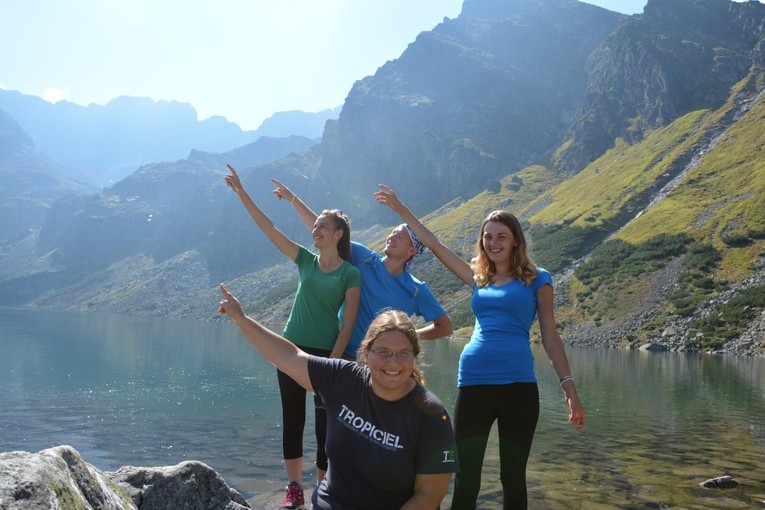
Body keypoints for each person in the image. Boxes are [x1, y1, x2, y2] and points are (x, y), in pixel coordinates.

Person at [375, 184, 586, 510]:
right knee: (466, 477)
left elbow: (550, 336)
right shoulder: (478, 278)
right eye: (488, 237)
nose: (494, 243)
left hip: (519, 388)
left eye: (501, 236)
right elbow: (432, 243)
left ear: (515, 239)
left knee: (512, 477)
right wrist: (400, 207)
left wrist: (569, 388)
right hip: (473, 384)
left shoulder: (537, 279)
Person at [218, 284, 459, 509]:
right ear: (366, 352)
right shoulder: (343, 379)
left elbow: (430, 495)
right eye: (383, 352)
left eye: (403, 353)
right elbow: (289, 357)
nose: (393, 363)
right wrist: (241, 319)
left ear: (415, 356)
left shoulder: (430, 414)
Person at [225, 164, 361, 510]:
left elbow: (347, 324)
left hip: (325, 355)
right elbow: (269, 229)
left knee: (324, 426)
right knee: (293, 419)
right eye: (314, 226)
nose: (315, 229)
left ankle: (323, 489)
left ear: (338, 234)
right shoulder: (305, 261)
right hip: (289, 348)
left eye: (323, 227)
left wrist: (333, 361)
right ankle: (294, 488)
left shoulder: (350, 274)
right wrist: (242, 193)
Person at [269, 178, 453, 359]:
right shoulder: (363, 257)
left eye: (399, 237)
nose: (391, 237)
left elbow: (444, 326)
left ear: (412, 250)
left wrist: (406, 337)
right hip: (341, 354)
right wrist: (292, 199)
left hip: (377, 364)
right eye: (392, 233)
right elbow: (324, 231)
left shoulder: (416, 289)